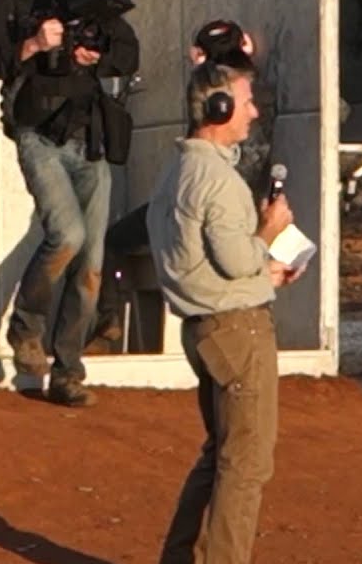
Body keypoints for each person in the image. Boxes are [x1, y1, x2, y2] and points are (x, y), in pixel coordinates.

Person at [145, 62, 304, 564]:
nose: (253, 111)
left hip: (204, 329)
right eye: (246, 99)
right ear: (217, 109)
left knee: (219, 456)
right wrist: (269, 231)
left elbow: (210, 264)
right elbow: (237, 260)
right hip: (238, 333)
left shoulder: (175, 174)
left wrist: (264, 268)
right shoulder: (217, 178)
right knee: (245, 465)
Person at [0, 0, 139, 406]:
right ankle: (26, 327)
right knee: (66, 234)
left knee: (90, 262)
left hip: (88, 139)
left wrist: (96, 54)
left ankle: (68, 370)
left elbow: (129, 52)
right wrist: (31, 43)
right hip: (37, 133)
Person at [90, 20, 276, 350]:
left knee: (114, 240)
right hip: (220, 214)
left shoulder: (228, 109)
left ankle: (108, 320)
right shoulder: (249, 96)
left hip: (212, 217)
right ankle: (108, 323)